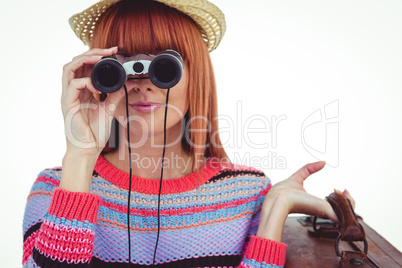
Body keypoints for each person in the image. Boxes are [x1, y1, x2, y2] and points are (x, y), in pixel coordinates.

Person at [22, 0, 354, 267]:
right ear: (98, 75)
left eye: (164, 66)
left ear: (195, 73)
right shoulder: (55, 189)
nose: (143, 83)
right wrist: (80, 156)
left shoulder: (248, 195)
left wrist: (273, 211)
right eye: (121, 65)